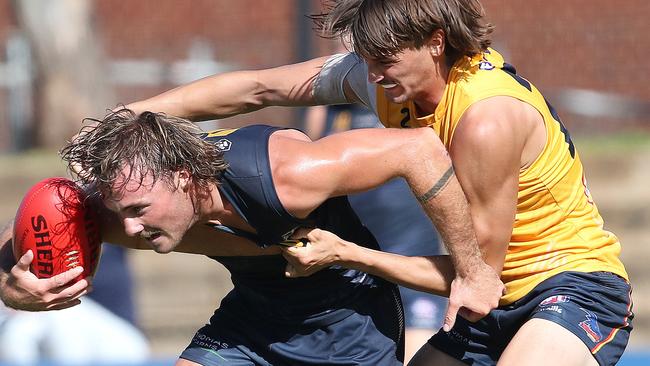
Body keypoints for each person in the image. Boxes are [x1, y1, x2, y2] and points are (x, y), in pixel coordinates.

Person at [121, 1, 633, 365]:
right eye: (366, 60)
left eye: (384, 61)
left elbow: (477, 279)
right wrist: (127, 116)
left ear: (436, 42)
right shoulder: (383, 75)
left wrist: (350, 254)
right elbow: (258, 88)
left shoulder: (486, 120)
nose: (371, 75)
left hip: (568, 289)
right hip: (489, 301)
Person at [0, 109, 494, 365]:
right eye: (118, 212)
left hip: (347, 322)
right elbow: (48, 204)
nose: (126, 229)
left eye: (138, 211)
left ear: (181, 177)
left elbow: (418, 149)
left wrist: (471, 269)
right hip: (254, 316)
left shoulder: (286, 175)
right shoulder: (127, 203)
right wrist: (11, 288)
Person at [305, 103, 447, 363]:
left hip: (413, 261)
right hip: (349, 265)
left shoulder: (411, 99)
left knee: (418, 357)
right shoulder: (327, 109)